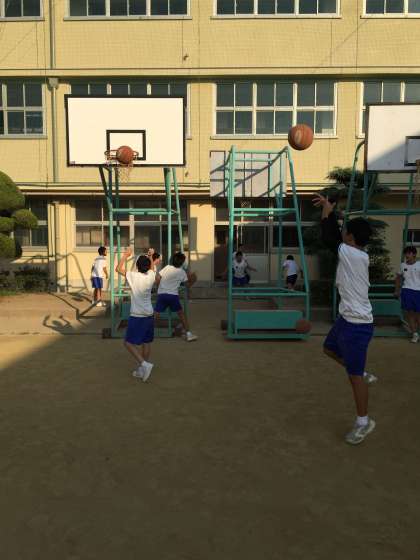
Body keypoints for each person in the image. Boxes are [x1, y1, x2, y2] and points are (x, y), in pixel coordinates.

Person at [313, 193, 377, 446]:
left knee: (354, 377)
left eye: (345, 230)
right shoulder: (354, 252)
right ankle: (361, 370)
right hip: (347, 319)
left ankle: (364, 422)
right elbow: (332, 234)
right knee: (329, 349)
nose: (342, 233)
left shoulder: (352, 255)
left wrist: (328, 212)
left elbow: (328, 237)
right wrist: (327, 210)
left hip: (357, 325)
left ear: (350, 238)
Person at [116, 248, 158, 382]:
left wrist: (125, 255)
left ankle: (144, 364)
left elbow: (118, 269)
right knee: (146, 342)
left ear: (137, 266)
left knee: (128, 343)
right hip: (149, 314)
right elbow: (152, 267)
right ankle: (142, 369)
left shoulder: (133, 276)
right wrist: (151, 255)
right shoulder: (151, 275)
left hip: (137, 315)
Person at [155, 252, 198, 342]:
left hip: (162, 295)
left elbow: (158, 278)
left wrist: (159, 288)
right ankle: (188, 334)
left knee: (156, 314)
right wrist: (193, 280)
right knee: (182, 315)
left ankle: (146, 331)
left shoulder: (167, 267)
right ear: (182, 263)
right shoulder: (182, 272)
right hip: (173, 296)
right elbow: (187, 286)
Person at [395, 245, 420, 343]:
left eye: (409, 253)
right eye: (406, 253)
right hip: (406, 291)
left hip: (418, 292)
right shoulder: (402, 265)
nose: (407, 255)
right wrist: (397, 290)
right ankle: (415, 334)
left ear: (414, 254)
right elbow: (398, 277)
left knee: (418, 315)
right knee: (410, 314)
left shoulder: (419, 264)